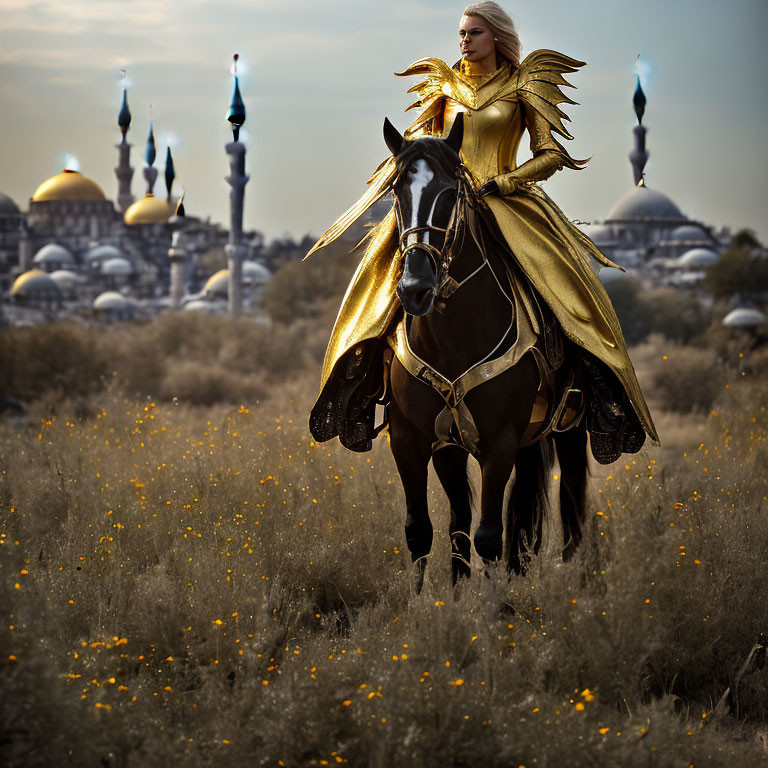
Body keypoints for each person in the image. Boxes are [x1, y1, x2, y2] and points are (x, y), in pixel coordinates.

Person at [306, 1, 659, 463]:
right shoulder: (443, 87)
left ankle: (592, 388)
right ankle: (364, 384)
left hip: (506, 201)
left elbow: (551, 153)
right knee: (385, 279)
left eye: (473, 33)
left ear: (497, 37)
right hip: (444, 203)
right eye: (460, 34)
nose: (464, 41)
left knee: (568, 287)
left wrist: (507, 180)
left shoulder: (522, 86)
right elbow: (421, 149)